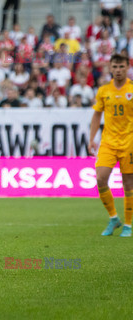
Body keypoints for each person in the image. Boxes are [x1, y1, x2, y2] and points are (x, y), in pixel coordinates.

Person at [88, 54, 133, 237]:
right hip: (108, 141)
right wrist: (92, 138)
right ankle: (114, 218)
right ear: (110, 68)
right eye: (115, 67)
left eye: (121, 66)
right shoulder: (103, 90)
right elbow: (97, 115)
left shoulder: (132, 89)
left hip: (129, 141)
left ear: (127, 67)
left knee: (128, 183)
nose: (118, 70)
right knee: (100, 178)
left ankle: (128, 225)